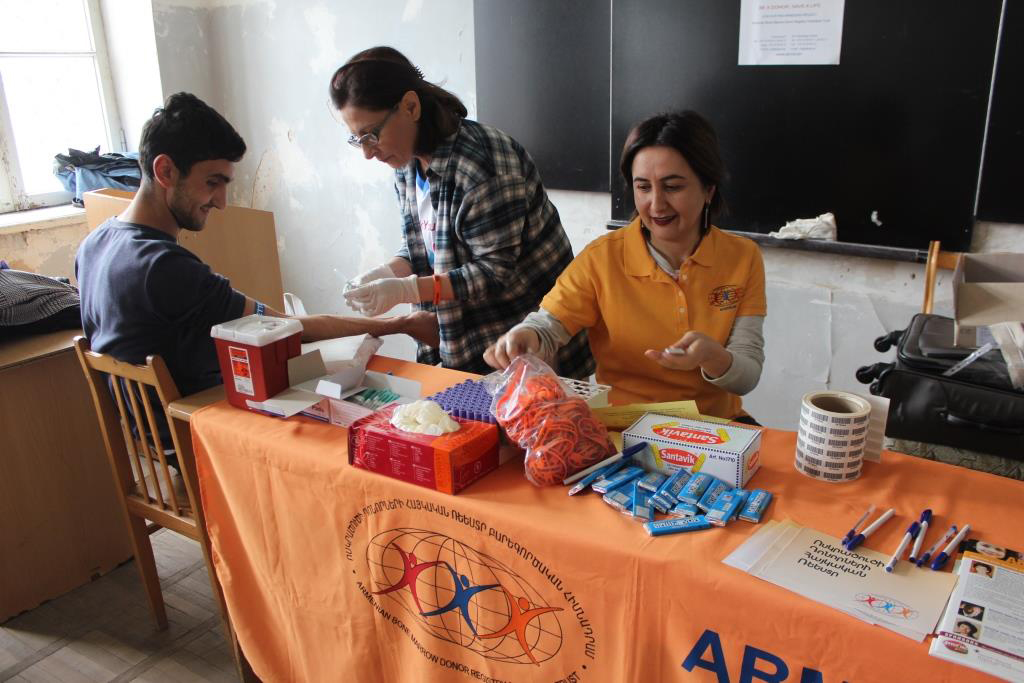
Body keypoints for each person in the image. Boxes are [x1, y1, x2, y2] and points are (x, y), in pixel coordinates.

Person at [76, 93, 435, 457]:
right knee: (348, 442)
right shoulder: (163, 267)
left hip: (147, 445)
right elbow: (291, 329)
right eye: (212, 182)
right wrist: (400, 324)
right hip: (198, 445)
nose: (221, 201)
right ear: (165, 171)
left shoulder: (94, 244)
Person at [484, 111, 766, 422]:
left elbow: (746, 376)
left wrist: (711, 356)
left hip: (715, 428)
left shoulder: (742, 257)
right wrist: (525, 336)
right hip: (626, 426)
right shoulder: (602, 258)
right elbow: (549, 326)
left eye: (673, 187)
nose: (656, 205)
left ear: (708, 189)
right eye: (643, 187)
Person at [330, 47, 593, 378]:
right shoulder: (406, 163)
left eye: (371, 135)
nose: (368, 153)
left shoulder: (482, 165)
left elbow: (492, 272)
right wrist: (387, 273)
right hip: (464, 337)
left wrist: (405, 290)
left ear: (410, 107)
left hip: (524, 342)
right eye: (356, 140)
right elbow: (427, 244)